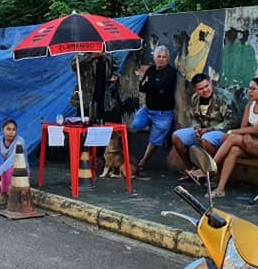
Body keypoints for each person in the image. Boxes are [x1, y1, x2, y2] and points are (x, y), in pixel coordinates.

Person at [206, 77, 258, 198]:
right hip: (253, 142)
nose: (249, 91)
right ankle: (220, 188)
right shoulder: (250, 104)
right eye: (249, 88)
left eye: (253, 89)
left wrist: (232, 132)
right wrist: (246, 135)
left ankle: (209, 168)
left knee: (232, 138)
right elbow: (244, 126)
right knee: (234, 150)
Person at [172, 73, 239, 181]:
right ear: (195, 89)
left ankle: (215, 174)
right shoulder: (195, 98)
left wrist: (209, 130)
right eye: (201, 88)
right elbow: (193, 117)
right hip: (203, 130)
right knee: (177, 136)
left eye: (207, 86)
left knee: (207, 139)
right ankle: (191, 171)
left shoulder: (224, 98)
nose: (205, 90)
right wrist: (197, 128)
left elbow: (232, 121)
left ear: (211, 83)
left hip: (223, 131)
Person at [130, 45, 177, 177]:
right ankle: (154, 128)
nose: (161, 59)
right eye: (159, 56)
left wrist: (151, 83)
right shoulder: (151, 70)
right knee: (136, 125)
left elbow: (161, 86)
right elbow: (141, 87)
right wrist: (154, 84)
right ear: (154, 58)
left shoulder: (171, 72)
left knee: (155, 141)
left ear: (168, 59)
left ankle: (143, 162)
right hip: (148, 109)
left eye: (164, 57)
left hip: (163, 113)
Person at [69, 52, 119, 123]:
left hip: (104, 96)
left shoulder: (107, 56)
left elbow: (115, 67)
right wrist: (92, 57)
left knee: (103, 121)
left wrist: (114, 76)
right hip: (86, 97)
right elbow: (74, 66)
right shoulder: (82, 54)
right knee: (84, 121)